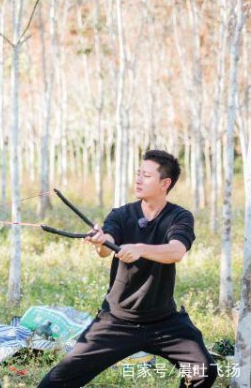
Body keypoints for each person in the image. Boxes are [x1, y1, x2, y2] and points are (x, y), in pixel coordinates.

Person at [37, 150, 217, 388]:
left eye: (146, 176)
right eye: (138, 174)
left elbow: (176, 251)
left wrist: (140, 249)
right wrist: (100, 242)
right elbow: (106, 248)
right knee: (55, 382)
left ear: (165, 183)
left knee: (204, 371)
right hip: (116, 321)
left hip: (164, 321)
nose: (138, 180)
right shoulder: (121, 215)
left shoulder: (179, 217)